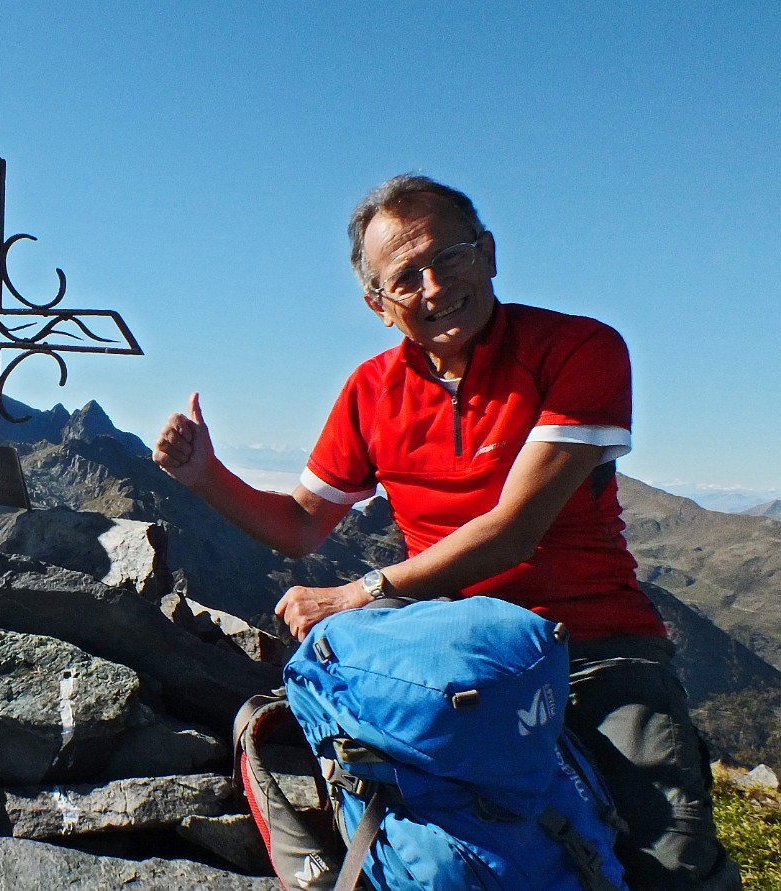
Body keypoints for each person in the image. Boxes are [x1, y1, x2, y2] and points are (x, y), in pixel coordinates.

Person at [153, 174, 740, 890]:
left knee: (668, 863)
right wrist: (204, 474)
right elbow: (302, 524)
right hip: (450, 655)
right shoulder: (371, 392)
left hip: (592, 644)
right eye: (406, 276)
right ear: (377, 304)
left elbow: (514, 531)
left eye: (450, 256)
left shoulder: (578, 348)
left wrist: (360, 592)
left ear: (489, 254)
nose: (434, 286)